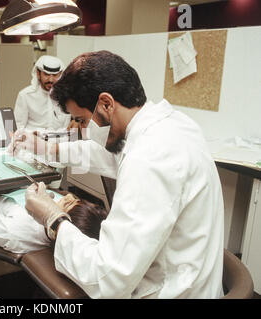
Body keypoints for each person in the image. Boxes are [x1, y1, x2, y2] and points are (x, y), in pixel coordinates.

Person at [12, 50, 225, 298]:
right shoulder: (169, 125)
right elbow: (106, 154)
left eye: (82, 120)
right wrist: (46, 148)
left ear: (106, 103)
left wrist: (54, 218)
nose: (84, 130)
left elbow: (107, 279)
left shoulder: (149, 158)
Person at [0, 189, 108, 254]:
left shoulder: (17, 231)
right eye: (75, 198)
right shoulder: (62, 208)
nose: (66, 197)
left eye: (67, 203)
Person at [14, 55, 71, 132]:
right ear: (38, 74)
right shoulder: (25, 95)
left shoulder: (67, 95)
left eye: (55, 75)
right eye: (46, 74)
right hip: (33, 141)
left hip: (59, 141)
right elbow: (18, 126)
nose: (51, 80)